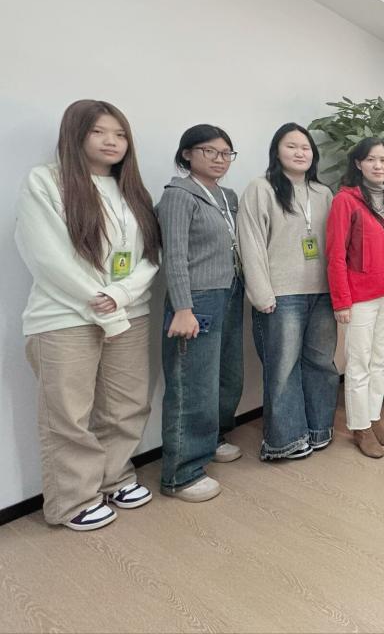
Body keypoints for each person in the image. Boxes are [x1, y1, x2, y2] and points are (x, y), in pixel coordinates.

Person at [15, 99, 160, 531]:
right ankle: (73, 499)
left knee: (126, 404)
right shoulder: (47, 181)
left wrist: (120, 294)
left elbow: (150, 255)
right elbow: (46, 255)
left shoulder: (133, 189)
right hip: (66, 315)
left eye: (120, 134)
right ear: (75, 134)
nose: (111, 141)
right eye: (99, 131)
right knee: (68, 413)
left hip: (129, 311)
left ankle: (116, 477)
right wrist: (99, 298)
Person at [238, 123, 337, 461]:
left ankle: (319, 429)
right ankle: (285, 440)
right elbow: (250, 243)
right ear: (276, 151)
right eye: (291, 146)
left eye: (305, 147)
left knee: (321, 363)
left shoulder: (323, 193)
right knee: (283, 368)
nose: (299, 152)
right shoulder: (261, 188)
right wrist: (261, 294)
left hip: (322, 293)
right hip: (282, 294)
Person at [158, 124, 244, 502]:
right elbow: (174, 255)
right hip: (196, 299)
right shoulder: (179, 194)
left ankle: (212, 439)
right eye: (210, 151)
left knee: (226, 375)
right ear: (187, 154)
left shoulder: (227, 196)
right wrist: (182, 307)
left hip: (230, 290)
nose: (220, 159)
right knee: (192, 384)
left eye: (226, 153)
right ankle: (181, 473)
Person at [326, 137, 384, 458]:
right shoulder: (345, 201)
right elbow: (335, 254)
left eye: (383, 160)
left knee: (380, 360)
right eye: (371, 159)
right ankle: (359, 427)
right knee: (358, 363)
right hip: (359, 296)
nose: (378, 165)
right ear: (358, 163)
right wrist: (341, 301)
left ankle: (373, 418)